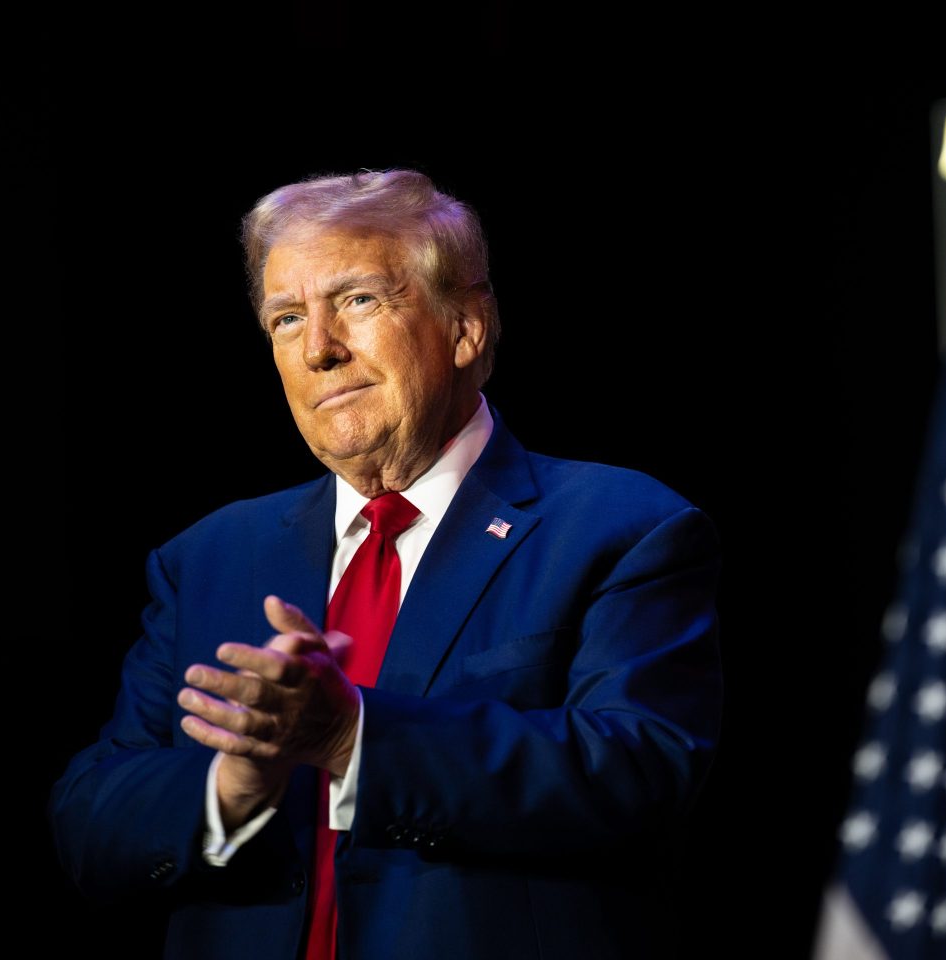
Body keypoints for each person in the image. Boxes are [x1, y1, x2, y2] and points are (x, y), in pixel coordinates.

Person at [49, 169, 723, 960]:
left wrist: (357, 737)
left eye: (358, 300)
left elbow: (638, 774)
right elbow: (89, 820)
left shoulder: (621, 529)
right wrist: (226, 792)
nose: (319, 349)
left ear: (466, 327)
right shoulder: (206, 559)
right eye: (287, 317)